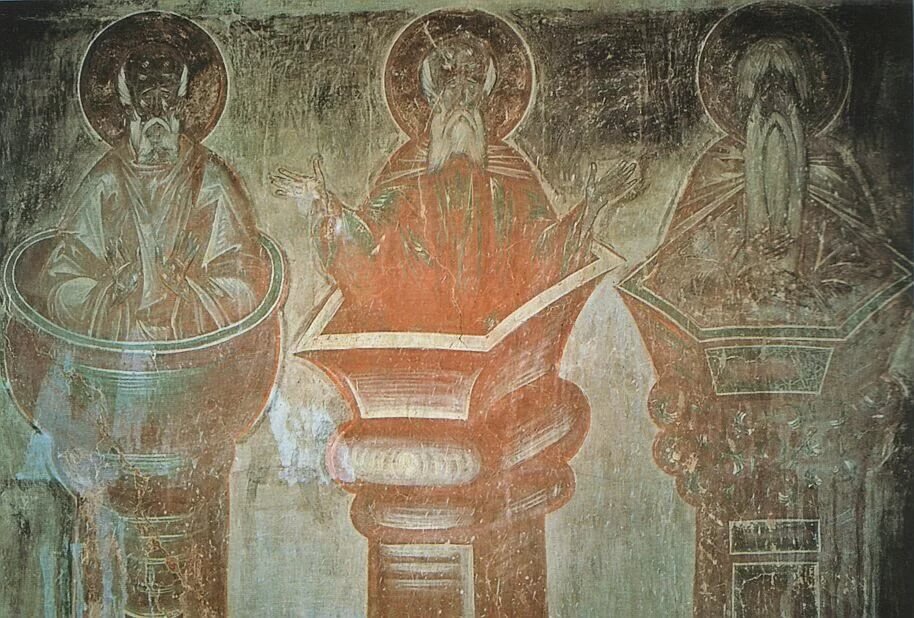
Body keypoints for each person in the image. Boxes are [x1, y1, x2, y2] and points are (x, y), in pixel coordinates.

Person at [273, 32, 638, 333]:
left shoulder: (511, 179)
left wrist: (592, 204)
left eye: (471, 89)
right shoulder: (404, 178)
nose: (461, 101)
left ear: (486, 100)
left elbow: (545, 253)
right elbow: (366, 245)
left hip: (499, 332)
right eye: (450, 88)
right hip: (415, 333)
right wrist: (327, 208)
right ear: (432, 102)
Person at [40, 46, 267, 340]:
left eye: (167, 111)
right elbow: (59, 288)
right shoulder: (104, 183)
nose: (156, 127)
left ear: (182, 110)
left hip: (195, 351)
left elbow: (248, 286)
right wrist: (111, 290)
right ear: (126, 113)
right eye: (143, 113)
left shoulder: (211, 182)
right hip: (117, 350)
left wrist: (187, 291)